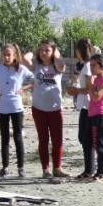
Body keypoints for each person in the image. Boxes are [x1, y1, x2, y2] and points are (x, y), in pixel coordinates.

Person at [0, 43, 34, 178]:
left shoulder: (21, 69)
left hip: (16, 106)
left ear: (14, 56)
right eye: (4, 55)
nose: (6, 57)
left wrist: (24, 88)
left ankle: (21, 167)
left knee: (18, 137)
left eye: (9, 55)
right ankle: (5, 167)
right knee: (5, 137)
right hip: (3, 106)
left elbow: (35, 80)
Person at [22, 39, 68, 179]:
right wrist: (36, 52)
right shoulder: (36, 65)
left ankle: (57, 168)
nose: (43, 53)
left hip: (55, 108)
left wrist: (56, 55)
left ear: (53, 52)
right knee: (43, 139)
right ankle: (46, 169)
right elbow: (25, 58)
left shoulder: (57, 66)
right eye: (41, 50)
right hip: (39, 108)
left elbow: (61, 65)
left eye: (47, 50)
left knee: (57, 140)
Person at [65, 37, 96, 180]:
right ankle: (89, 168)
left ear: (78, 51)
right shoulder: (86, 66)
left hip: (89, 105)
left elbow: (89, 88)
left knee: (86, 139)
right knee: (83, 137)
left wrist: (76, 90)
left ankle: (90, 170)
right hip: (85, 105)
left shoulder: (88, 67)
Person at [84, 54, 103, 183]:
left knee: (100, 145)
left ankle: (102, 172)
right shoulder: (97, 79)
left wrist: (90, 84)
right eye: (90, 65)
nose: (91, 67)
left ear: (102, 66)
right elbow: (89, 91)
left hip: (102, 115)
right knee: (87, 142)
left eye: (94, 65)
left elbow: (96, 97)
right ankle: (89, 171)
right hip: (93, 114)